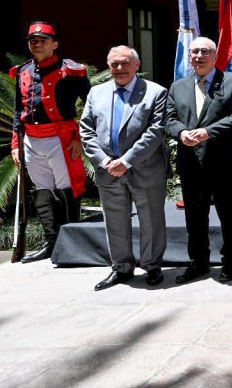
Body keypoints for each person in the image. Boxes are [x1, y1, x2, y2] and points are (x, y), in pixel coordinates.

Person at [79, 46, 168, 290]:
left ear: (136, 65)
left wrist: (126, 160)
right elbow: (86, 130)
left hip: (145, 168)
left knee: (151, 219)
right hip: (107, 170)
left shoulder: (155, 92)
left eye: (124, 63)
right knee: (114, 221)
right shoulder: (96, 93)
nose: (119, 68)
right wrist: (106, 161)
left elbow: (156, 131)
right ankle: (121, 268)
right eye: (114, 64)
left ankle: (152, 266)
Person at [165, 37, 232, 284]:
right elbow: (169, 119)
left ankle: (230, 261)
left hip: (224, 163)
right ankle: (199, 262)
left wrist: (208, 132)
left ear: (214, 56)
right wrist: (181, 132)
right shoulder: (177, 87)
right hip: (191, 163)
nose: (198, 56)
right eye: (194, 52)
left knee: (229, 214)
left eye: (204, 51)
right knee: (194, 216)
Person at [9, 22, 91, 263]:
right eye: (33, 40)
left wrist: (80, 138)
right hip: (31, 139)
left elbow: (92, 107)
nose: (37, 43)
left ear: (54, 44)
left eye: (43, 40)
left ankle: (72, 244)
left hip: (61, 138)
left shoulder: (72, 71)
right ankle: (52, 243)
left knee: (67, 190)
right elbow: (18, 112)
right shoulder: (22, 71)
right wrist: (16, 144)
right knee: (42, 190)